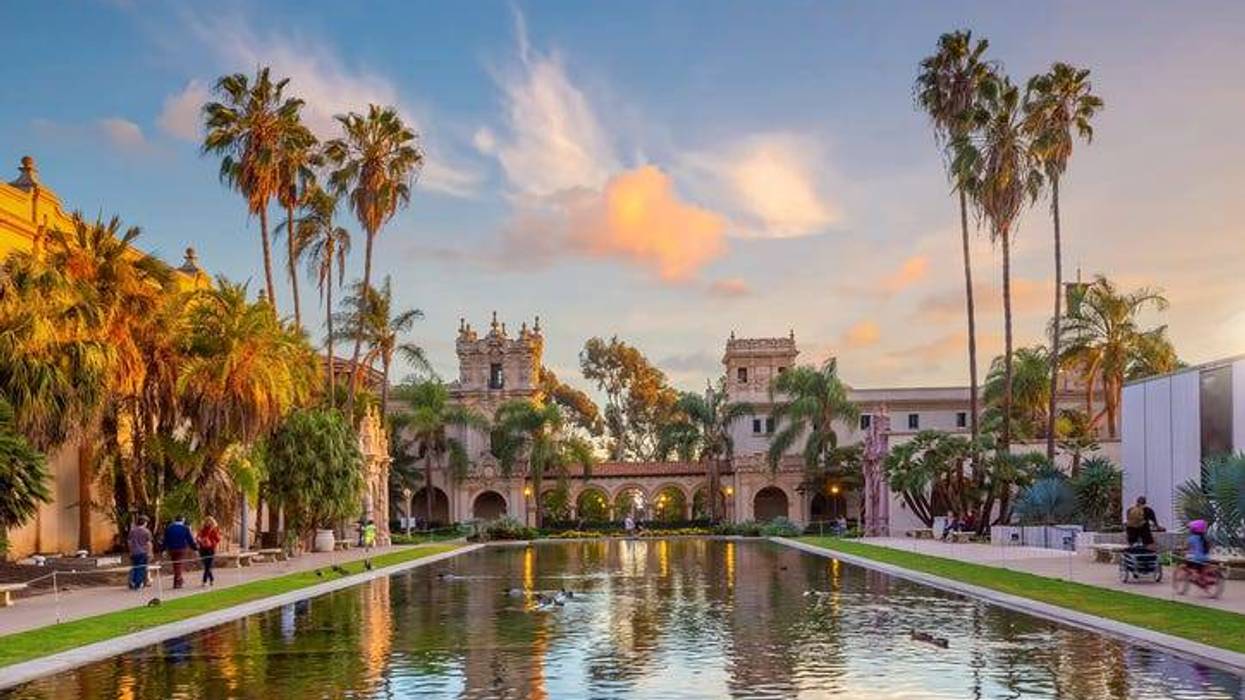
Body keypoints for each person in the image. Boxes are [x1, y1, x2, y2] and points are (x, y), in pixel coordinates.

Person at [163, 515, 197, 589]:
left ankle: (177, 582)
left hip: (171, 549)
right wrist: (195, 548)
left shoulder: (169, 528)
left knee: (176, 564)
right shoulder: (185, 528)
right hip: (181, 548)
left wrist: (163, 549)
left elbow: (165, 540)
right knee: (178, 564)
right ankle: (179, 580)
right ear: (182, 520)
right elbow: (190, 540)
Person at [128, 515, 153, 591]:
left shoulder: (132, 531)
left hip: (134, 552)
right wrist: (150, 552)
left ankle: (132, 581)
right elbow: (149, 543)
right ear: (145, 523)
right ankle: (137, 584)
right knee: (141, 568)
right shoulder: (146, 531)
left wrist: (131, 550)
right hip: (143, 552)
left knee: (134, 567)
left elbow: (129, 542)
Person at [197, 516, 222, 588]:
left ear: (212, 522)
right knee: (206, 565)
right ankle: (211, 579)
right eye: (207, 521)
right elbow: (198, 537)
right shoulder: (202, 529)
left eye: (210, 521)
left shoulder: (214, 529)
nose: (208, 523)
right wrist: (200, 540)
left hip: (211, 549)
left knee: (208, 565)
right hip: (203, 548)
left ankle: (204, 580)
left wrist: (212, 541)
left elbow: (218, 539)